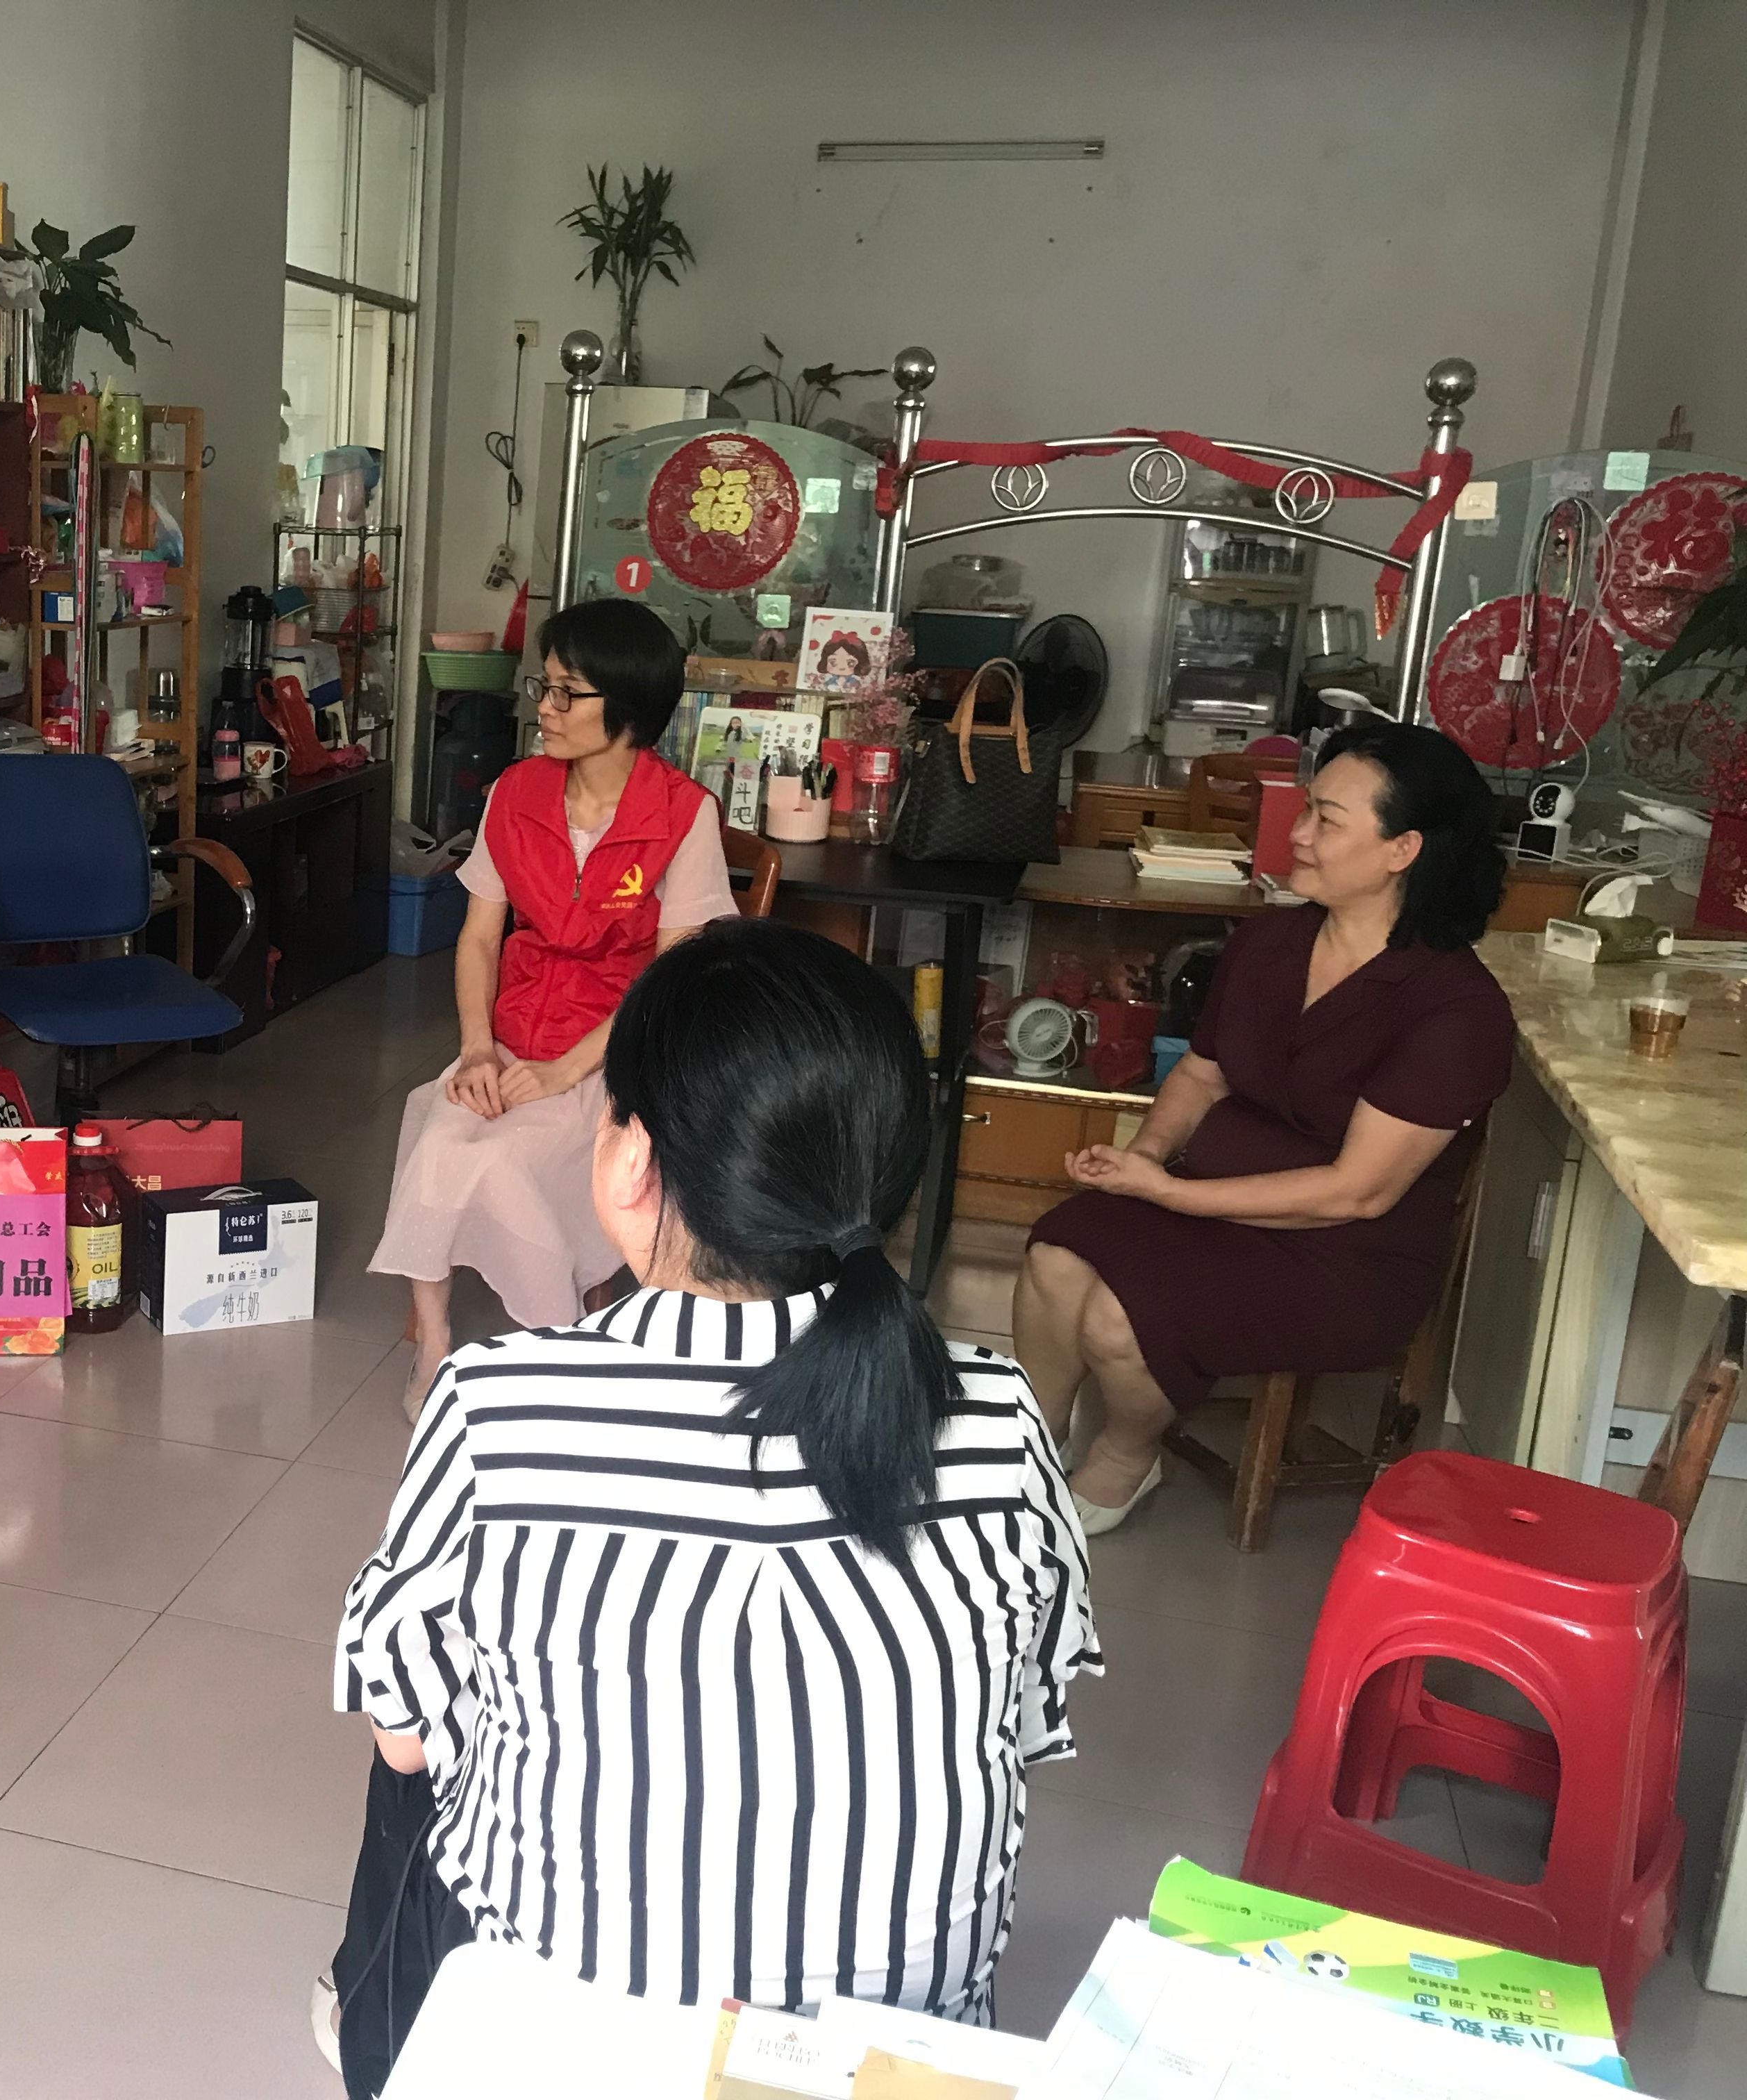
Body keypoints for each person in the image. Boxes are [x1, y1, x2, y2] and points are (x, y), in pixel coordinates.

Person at [322, 919, 1100, 2092]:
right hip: (892, 2061)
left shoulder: (498, 1405)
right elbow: (1025, 1717)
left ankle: (377, 2011)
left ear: (631, 1160)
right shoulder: (996, 1416)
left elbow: (408, 1728)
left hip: (577, 2049)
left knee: (414, 1747)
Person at [1016, 718, 1515, 1534]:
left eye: (1328, 820)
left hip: (1343, 1254)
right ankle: (1026, 1447)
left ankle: (1126, 1456)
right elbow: (1202, 1072)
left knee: (1116, 1315)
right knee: (1055, 1256)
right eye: (1307, 809)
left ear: (1403, 850)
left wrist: (1167, 1194)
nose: (1300, 834)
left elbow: (1355, 1194)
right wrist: (1146, 1158)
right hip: (1208, 1195)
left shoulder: (1455, 1010)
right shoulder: (1269, 942)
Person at [367, 597, 736, 1414]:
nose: (546, 707)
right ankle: (434, 1345)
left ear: (627, 709)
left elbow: (668, 977)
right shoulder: (516, 792)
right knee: (444, 1131)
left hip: (614, 1049)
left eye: (570, 693)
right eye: (546, 686)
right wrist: (476, 1048)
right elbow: (479, 939)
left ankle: (553, 1338)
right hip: (511, 1036)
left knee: (503, 1158)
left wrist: (565, 1071)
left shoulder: (682, 815)